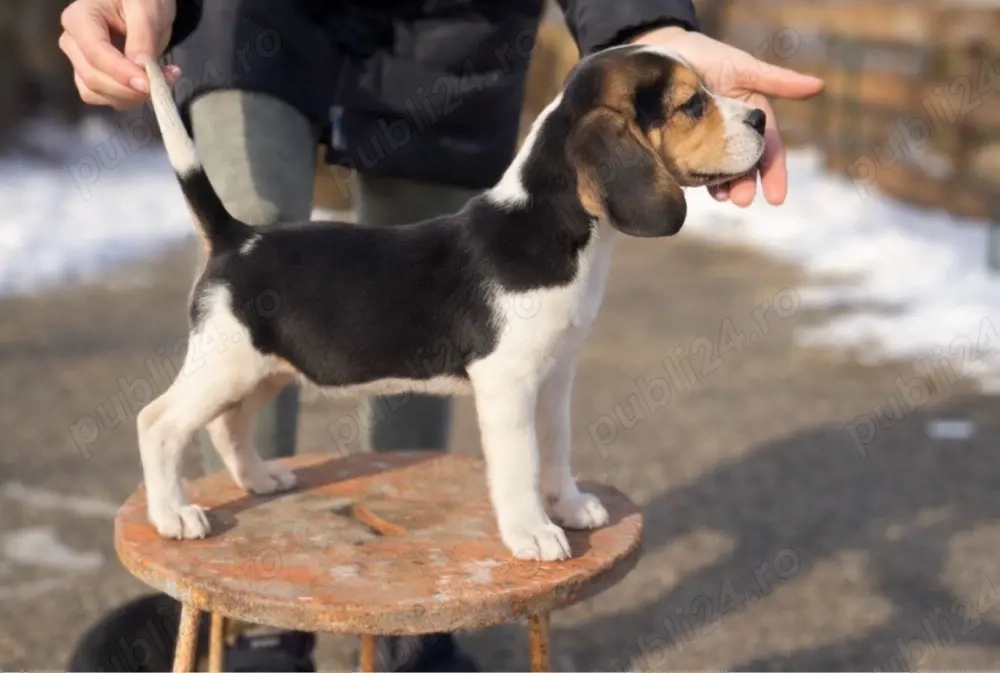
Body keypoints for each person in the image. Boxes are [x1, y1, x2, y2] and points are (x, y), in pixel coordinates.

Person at [58, 0, 823, 669]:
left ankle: (408, 629)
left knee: (538, 371)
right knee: (224, 374)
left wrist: (647, 20)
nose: (735, 118)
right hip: (257, 28)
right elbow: (507, 381)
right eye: (696, 108)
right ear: (611, 150)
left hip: (455, 44)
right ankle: (255, 624)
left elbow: (550, 377)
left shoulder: (557, 254)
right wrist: (519, 514)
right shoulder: (520, 266)